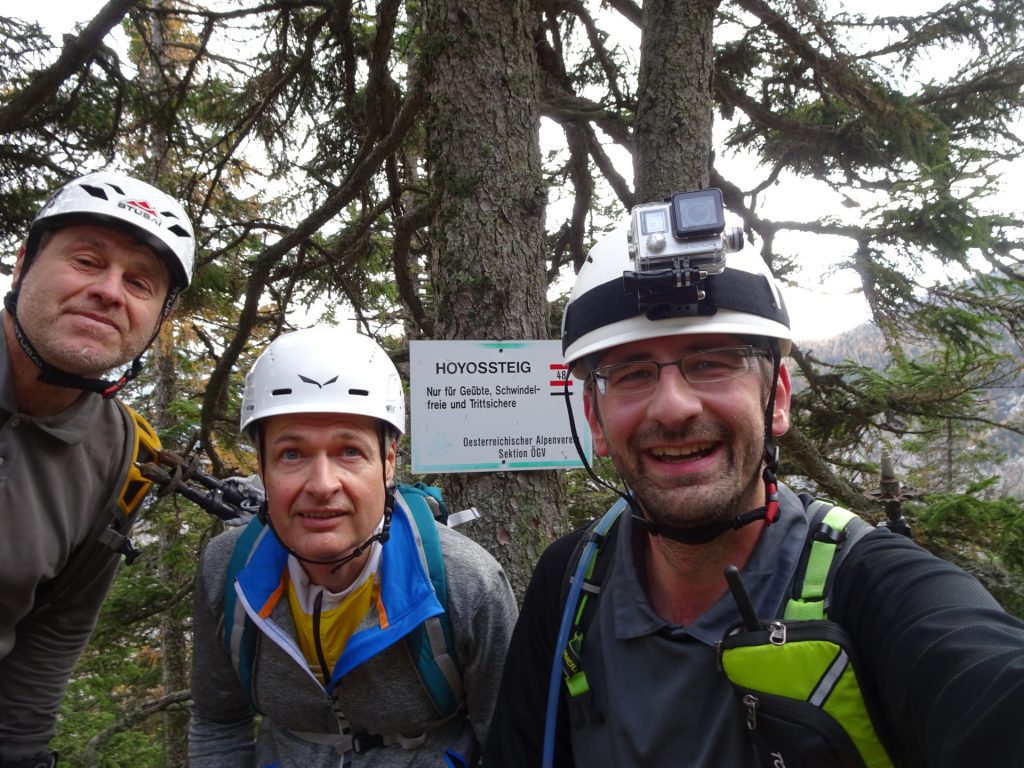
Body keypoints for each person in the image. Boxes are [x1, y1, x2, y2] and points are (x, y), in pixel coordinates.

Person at [484, 194, 1024, 767]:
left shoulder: (870, 587)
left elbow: (990, 683)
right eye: (632, 372)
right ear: (595, 420)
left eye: (712, 360)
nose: (672, 407)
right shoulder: (571, 583)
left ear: (778, 399)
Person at [188, 326, 518, 767]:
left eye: (348, 451)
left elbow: (509, 741)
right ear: (262, 467)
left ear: (387, 462)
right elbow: (218, 722)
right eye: (291, 454)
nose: (322, 485)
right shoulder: (228, 570)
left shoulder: (465, 582)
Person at [0, 172, 195, 767]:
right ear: (22, 264)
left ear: (157, 317)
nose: (111, 292)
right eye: (87, 261)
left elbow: (53, 631)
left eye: (140, 282)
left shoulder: (118, 454)